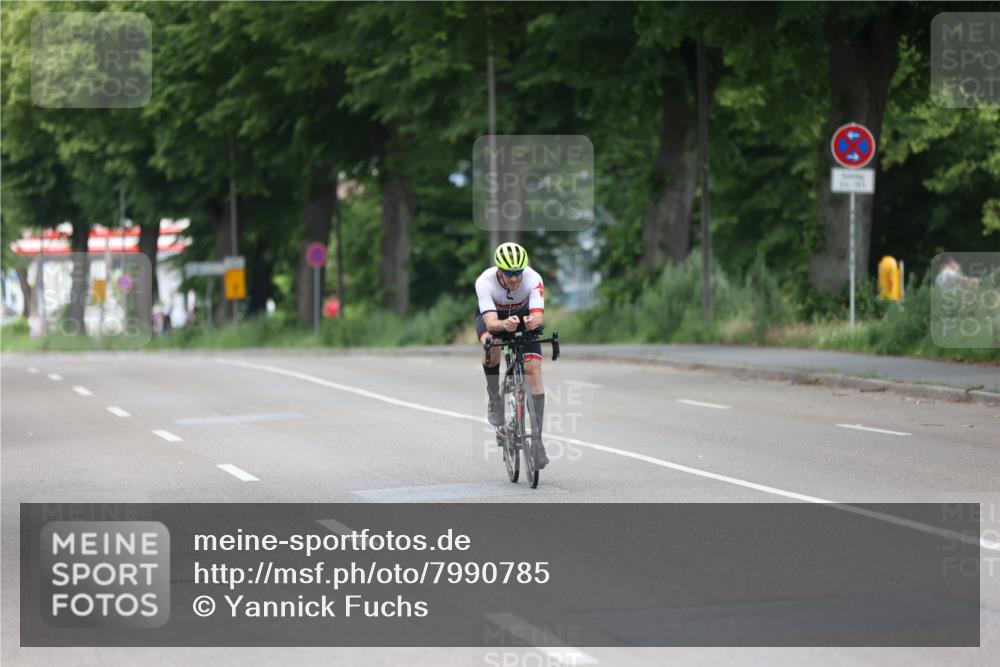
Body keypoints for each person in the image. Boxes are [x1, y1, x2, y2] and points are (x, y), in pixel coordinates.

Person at [475, 242, 549, 469]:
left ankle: (537, 442)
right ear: (499, 270)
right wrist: (503, 325)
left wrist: (533, 321)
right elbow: (490, 323)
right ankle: (494, 399)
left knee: (533, 370)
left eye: (518, 273)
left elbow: (539, 316)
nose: (515, 279)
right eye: (509, 274)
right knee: (492, 346)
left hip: (522, 315)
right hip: (495, 317)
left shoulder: (533, 278)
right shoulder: (484, 282)